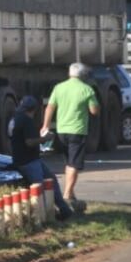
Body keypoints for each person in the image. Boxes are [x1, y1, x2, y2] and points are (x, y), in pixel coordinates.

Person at [41, 63, 99, 213]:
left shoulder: (59, 87)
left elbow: (50, 107)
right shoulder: (87, 89)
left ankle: (70, 193)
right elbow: (94, 111)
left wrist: (45, 126)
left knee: (68, 162)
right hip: (77, 131)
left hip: (61, 130)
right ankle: (67, 194)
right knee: (74, 164)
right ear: (83, 75)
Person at [7, 96, 73, 221]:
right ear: (34, 109)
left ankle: (64, 210)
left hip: (23, 159)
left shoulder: (14, 119)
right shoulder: (27, 121)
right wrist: (46, 139)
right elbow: (30, 142)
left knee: (51, 180)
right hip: (29, 161)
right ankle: (45, 216)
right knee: (40, 188)